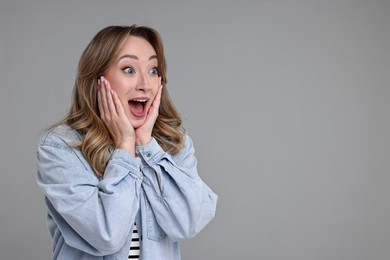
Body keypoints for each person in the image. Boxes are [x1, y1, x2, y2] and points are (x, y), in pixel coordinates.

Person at [36, 25, 218, 260]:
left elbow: (189, 222)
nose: (145, 83)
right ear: (97, 79)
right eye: (129, 69)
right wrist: (125, 147)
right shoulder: (61, 148)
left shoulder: (173, 146)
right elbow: (107, 236)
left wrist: (145, 144)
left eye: (153, 70)